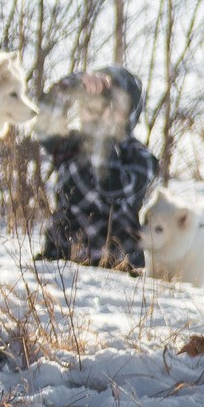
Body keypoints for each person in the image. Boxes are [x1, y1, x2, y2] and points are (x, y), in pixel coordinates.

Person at [38, 68, 160, 270]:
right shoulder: (71, 146)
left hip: (116, 272)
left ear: (130, 115)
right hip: (59, 266)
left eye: (115, 105)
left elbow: (111, 188)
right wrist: (72, 85)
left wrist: (100, 134)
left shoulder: (140, 157)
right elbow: (45, 128)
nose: (104, 110)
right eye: (95, 101)